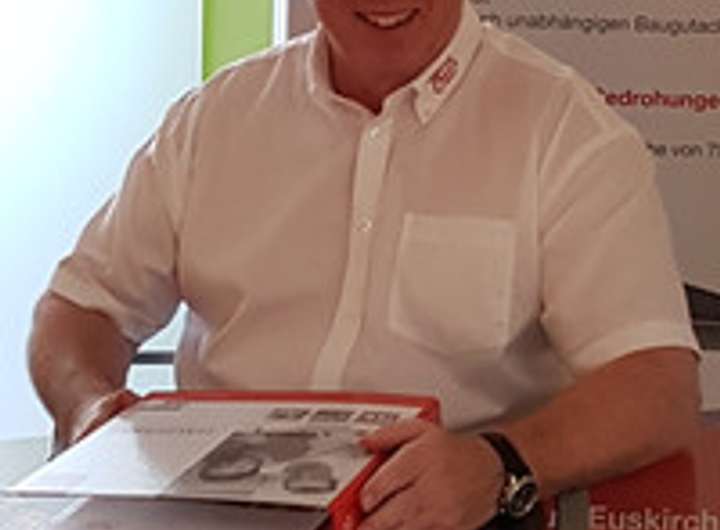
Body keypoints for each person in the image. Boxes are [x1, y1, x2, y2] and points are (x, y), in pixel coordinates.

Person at [28, 1, 701, 529]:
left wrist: (499, 462)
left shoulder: (565, 131)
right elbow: (81, 306)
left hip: (445, 515)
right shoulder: (213, 119)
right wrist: (86, 407)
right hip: (204, 511)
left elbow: (657, 385)